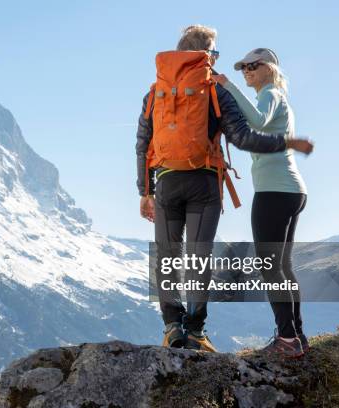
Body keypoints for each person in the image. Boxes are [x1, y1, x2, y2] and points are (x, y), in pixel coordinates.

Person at [136, 26, 313, 352]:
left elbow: (142, 143)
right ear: (205, 55)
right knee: (200, 258)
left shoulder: (154, 93)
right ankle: (198, 332)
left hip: (166, 182)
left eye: (250, 66)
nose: (220, 61)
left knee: (167, 257)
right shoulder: (214, 91)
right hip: (205, 183)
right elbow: (244, 137)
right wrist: (288, 143)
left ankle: (172, 328)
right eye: (215, 54)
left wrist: (144, 191)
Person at [213, 48, 309, 358]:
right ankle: (297, 335)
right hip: (291, 190)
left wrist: (228, 86)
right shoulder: (278, 99)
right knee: (282, 266)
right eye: (243, 68)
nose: (247, 71)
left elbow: (254, 120)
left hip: (274, 191)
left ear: (270, 68)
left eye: (253, 65)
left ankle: (287, 339)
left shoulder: (271, 95)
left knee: (270, 267)